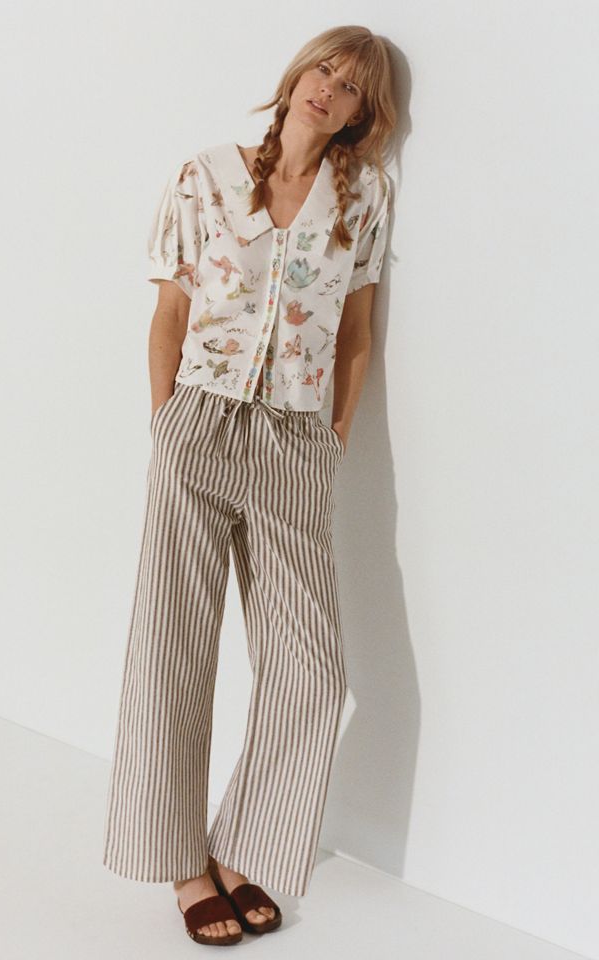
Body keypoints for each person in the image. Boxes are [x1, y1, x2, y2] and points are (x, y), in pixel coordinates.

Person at [102, 24, 396, 947]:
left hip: (296, 442)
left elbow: (356, 333)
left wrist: (333, 436)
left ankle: (242, 848)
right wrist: (167, 426)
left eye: (351, 88)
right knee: (172, 649)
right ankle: (183, 865)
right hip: (199, 423)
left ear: (362, 116)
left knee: (312, 668)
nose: (329, 89)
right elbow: (169, 314)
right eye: (324, 69)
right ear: (298, 74)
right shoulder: (204, 177)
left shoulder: (363, 198)